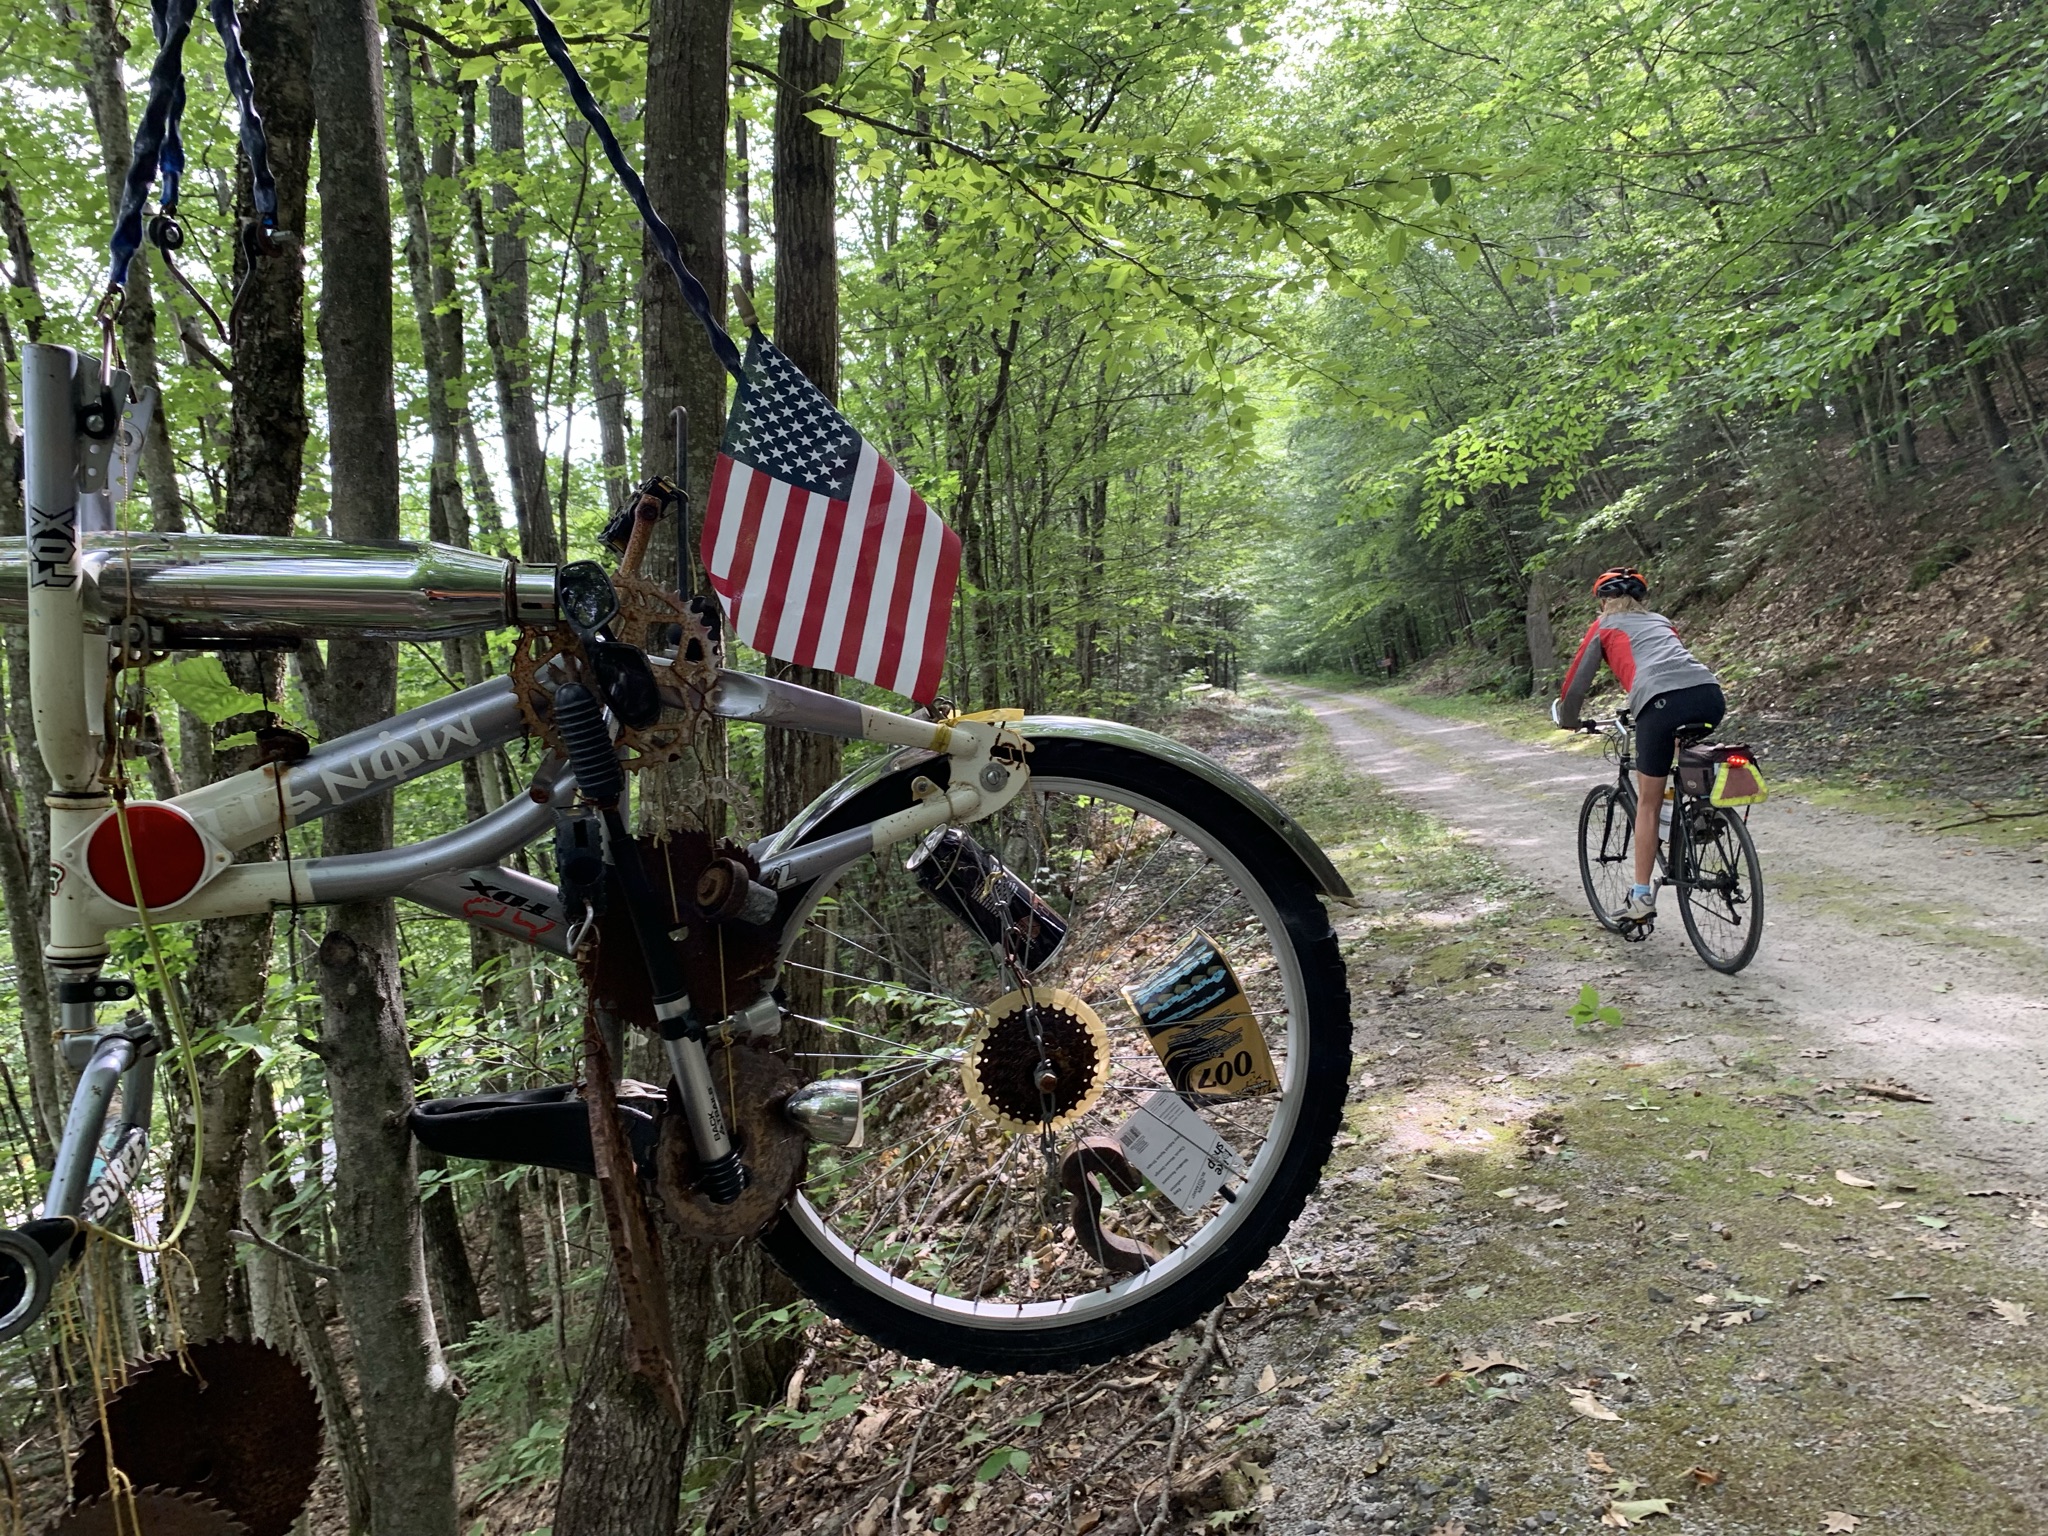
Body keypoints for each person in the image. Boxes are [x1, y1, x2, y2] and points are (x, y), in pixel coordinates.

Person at [1555, 568, 1725, 924]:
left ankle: (1641, 896)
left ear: (1603, 601)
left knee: (1646, 801)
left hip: (1658, 702)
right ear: (1639, 599)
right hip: (1709, 695)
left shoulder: (1602, 627)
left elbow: (1575, 686)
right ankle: (1697, 811)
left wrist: (1567, 718)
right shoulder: (1661, 621)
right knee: (1678, 749)